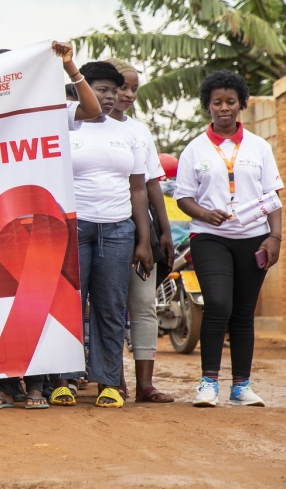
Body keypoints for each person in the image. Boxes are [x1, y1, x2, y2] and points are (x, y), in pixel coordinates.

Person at [49, 60, 152, 409]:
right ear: (83, 88)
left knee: (110, 307)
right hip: (73, 229)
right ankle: (63, 380)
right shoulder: (66, 121)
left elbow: (138, 189)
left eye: (114, 90)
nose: (110, 97)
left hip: (118, 229)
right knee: (69, 305)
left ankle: (107, 382)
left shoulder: (130, 133)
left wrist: (143, 239)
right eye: (102, 90)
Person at [175, 71, 281, 407]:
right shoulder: (195, 149)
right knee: (218, 304)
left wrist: (275, 236)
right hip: (210, 237)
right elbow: (183, 197)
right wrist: (205, 214)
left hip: (254, 238)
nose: (224, 108)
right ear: (207, 105)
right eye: (217, 102)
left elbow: (273, 194)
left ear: (241, 105)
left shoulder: (259, 147)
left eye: (230, 102)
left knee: (243, 313)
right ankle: (208, 383)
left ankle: (241, 386)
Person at [105, 58, 176, 403]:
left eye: (134, 88)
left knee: (144, 303)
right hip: (103, 225)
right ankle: (113, 379)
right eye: (122, 87)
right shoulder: (85, 126)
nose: (129, 94)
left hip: (140, 231)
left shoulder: (139, 130)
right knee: (109, 305)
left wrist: (163, 231)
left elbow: (151, 184)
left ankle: (145, 384)